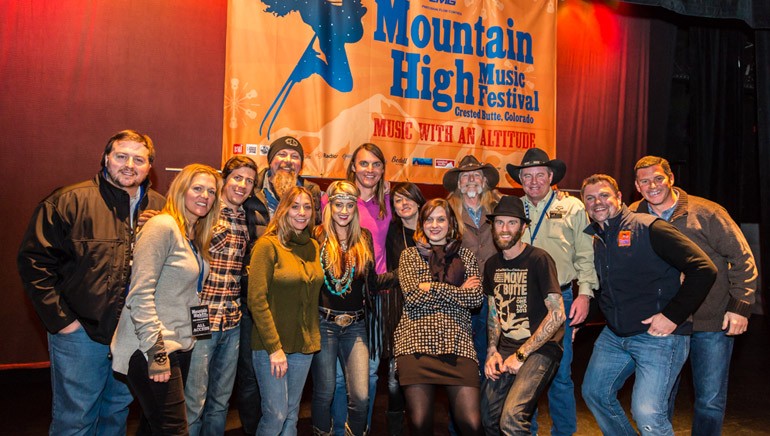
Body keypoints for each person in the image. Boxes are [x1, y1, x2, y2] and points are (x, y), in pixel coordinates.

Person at [17, 129, 165, 435]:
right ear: (106, 158)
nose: (129, 164)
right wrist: (64, 323)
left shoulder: (163, 208)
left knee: (116, 414)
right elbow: (34, 263)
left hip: (132, 334)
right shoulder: (68, 201)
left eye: (139, 159)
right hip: (81, 334)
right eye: (121, 156)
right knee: (76, 419)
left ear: (149, 166)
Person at [580, 174, 717, 436]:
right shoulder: (597, 238)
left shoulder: (650, 227)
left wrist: (672, 315)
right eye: (590, 198)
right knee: (595, 393)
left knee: (647, 414)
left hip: (658, 336)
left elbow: (703, 269)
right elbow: (615, 288)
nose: (598, 202)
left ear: (619, 198)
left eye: (604, 195)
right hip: (615, 335)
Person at [630, 156, 757, 435]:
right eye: (644, 181)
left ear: (671, 178)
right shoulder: (632, 216)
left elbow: (741, 257)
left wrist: (740, 306)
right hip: (664, 323)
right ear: (637, 186)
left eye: (658, 178)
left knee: (709, 400)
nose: (652, 185)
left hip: (708, 321)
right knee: (659, 400)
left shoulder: (707, 213)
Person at [111, 164, 222, 434]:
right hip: (150, 346)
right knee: (174, 429)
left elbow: (191, 294)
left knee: (152, 427)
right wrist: (156, 352)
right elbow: (139, 293)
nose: (205, 196)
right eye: (197, 188)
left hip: (180, 345)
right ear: (181, 190)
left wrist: (197, 336)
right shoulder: (162, 226)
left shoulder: (193, 236)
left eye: (210, 191)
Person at [506, 148, 598, 436]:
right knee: (524, 371)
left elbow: (586, 255)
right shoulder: (512, 208)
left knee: (560, 373)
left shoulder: (573, 207)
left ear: (551, 177)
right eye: (527, 176)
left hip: (561, 297)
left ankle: (564, 433)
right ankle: (525, 432)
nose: (534, 181)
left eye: (540, 175)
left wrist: (584, 294)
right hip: (521, 299)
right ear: (520, 179)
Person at [238, 135, 321, 434]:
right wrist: (274, 348)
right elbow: (256, 299)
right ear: (284, 209)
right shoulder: (266, 245)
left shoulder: (312, 245)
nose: (301, 212)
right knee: (273, 416)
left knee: (291, 414)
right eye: (294, 207)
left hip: (303, 344)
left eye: (306, 208)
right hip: (271, 340)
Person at [394, 198, 484, 435]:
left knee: (472, 425)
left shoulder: (465, 256)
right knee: (420, 424)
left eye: (441, 219)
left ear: (451, 223)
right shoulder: (409, 256)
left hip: (458, 344)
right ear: (422, 224)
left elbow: (475, 299)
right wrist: (458, 291)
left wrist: (430, 287)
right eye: (429, 219)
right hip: (415, 344)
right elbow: (412, 298)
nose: (435, 225)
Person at [311, 181, 395, 436]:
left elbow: (370, 283)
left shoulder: (364, 238)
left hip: (356, 325)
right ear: (330, 207)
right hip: (325, 324)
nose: (344, 210)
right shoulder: (317, 235)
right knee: (324, 391)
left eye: (350, 205)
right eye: (339, 204)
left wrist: (402, 275)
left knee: (360, 394)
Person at [481, 195, 565, 435]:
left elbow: (557, 314)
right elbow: (494, 311)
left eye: (512, 223)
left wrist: (521, 354)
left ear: (523, 227)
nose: (504, 229)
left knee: (512, 418)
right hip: (506, 347)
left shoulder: (539, 259)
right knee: (488, 418)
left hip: (541, 349)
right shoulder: (492, 265)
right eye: (499, 223)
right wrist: (492, 351)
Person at [185, 156, 257, 435]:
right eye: (237, 177)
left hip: (232, 320)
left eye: (249, 181)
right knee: (195, 400)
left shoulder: (244, 217)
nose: (242, 185)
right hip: (201, 316)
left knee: (221, 401)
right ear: (224, 179)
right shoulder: (205, 212)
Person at [327, 143, 392, 434]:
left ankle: (359, 431)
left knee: (370, 375)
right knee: (340, 379)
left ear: (382, 170)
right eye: (364, 163)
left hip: (377, 299)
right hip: (341, 297)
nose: (370, 170)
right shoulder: (332, 199)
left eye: (376, 164)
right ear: (353, 166)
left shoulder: (388, 202)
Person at [444, 155, 501, 376]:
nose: (471, 180)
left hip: (494, 293)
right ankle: (465, 405)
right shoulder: (447, 211)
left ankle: (488, 407)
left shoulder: (498, 208)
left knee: (492, 351)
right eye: (465, 176)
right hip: (462, 294)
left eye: (476, 175)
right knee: (465, 353)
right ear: (458, 184)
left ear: (484, 181)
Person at [383, 182, 426, 435]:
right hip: (399, 308)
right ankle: (395, 426)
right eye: (398, 200)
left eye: (409, 198)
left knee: (422, 374)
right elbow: (389, 271)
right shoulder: (391, 232)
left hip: (430, 311)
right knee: (394, 375)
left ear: (419, 201)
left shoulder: (434, 227)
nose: (404, 204)